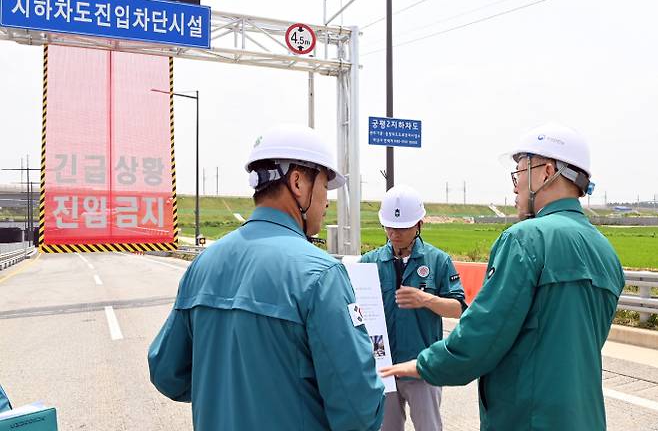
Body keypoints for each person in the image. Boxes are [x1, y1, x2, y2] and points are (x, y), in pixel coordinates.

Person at [381, 123, 625, 431]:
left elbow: (482, 336)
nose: (514, 186)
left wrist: (421, 365)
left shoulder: (525, 239)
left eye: (519, 173)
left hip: (526, 419)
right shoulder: (606, 253)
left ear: (546, 171)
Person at [148, 123, 385, 431]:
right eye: (325, 187)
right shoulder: (320, 275)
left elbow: (166, 372)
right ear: (298, 182)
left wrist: (227, 392)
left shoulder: (203, 265)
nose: (327, 202)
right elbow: (359, 409)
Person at [360, 184, 466, 431]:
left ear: (419, 224)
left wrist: (426, 300)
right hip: (383, 369)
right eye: (389, 227)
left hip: (423, 368)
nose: (394, 234)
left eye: (402, 228)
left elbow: (459, 308)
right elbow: (351, 310)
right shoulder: (369, 263)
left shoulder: (438, 261)